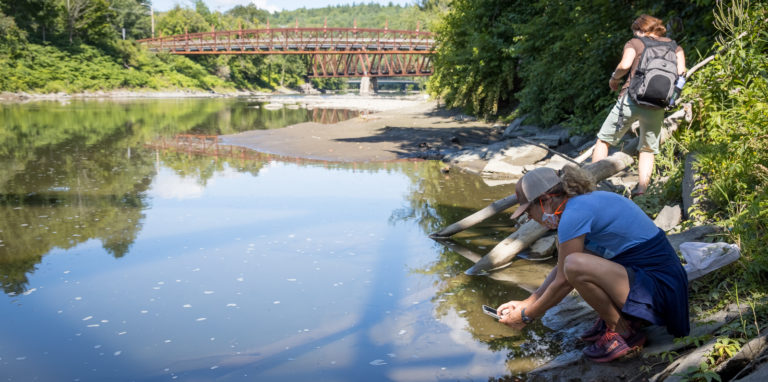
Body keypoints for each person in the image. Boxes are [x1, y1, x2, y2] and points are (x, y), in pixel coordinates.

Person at [496, 166, 690, 362]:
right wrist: (527, 302)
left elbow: (565, 279)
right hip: (658, 283)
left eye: (529, 211)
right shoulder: (581, 204)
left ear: (545, 200)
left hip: (661, 291)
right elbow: (562, 268)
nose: (530, 218)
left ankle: (622, 332)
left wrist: (527, 315)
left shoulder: (574, 214)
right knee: (572, 259)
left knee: (575, 265)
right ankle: (623, 319)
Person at [592, 14, 686, 197]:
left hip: (631, 100)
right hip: (657, 104)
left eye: (636, 30)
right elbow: (682, 74)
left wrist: (614, 78)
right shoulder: (676, 47)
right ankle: (642, 190)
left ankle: (592, 184)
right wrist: (671, 98)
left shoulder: (635, 43)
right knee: (648, 148)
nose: (635, 34)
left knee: (604, 140)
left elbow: (624, 65)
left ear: (642, 29)